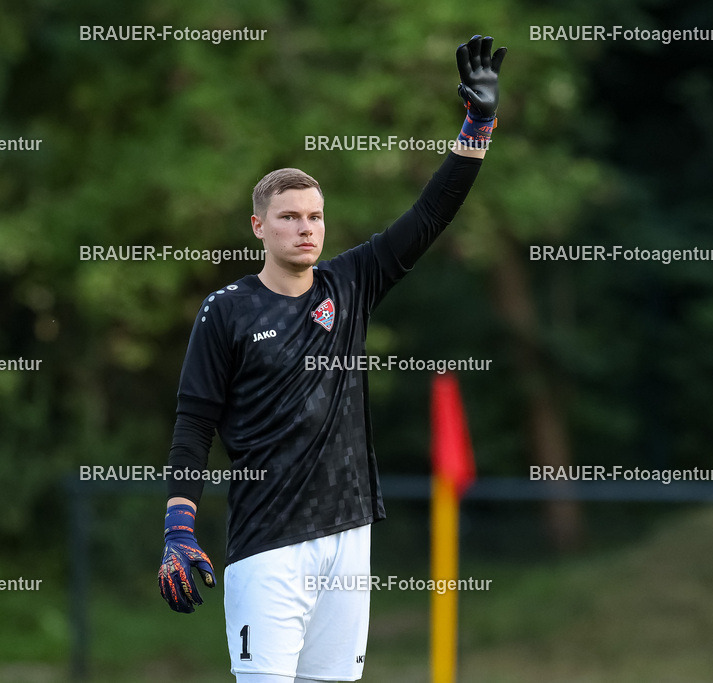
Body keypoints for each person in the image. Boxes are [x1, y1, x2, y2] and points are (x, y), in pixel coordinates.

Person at [159, 34, 507, 682]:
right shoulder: (226, 311)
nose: (306, 227)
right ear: (259, 226)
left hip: (349, 539)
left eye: (315, 216)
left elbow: (431, 214)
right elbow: (193, 423)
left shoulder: (350, 283)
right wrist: (179, 526)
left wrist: (477, 127)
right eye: (289, 216)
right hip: (269, 547)